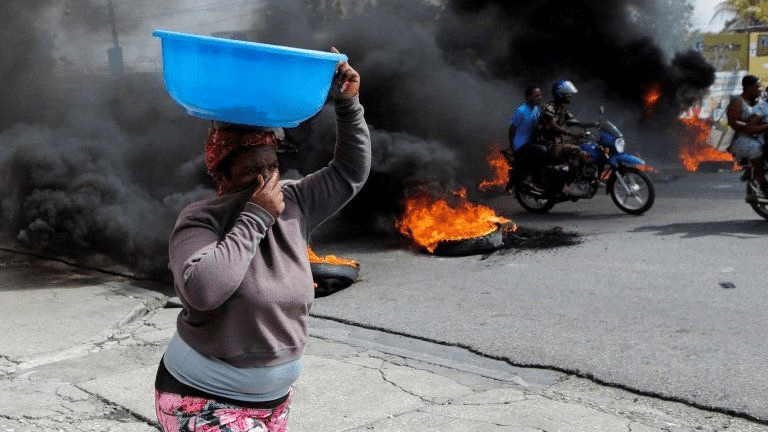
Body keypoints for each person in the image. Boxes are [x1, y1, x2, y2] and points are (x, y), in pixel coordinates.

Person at [153, 50, 370, 432]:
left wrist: (348, 104)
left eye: (272, 166)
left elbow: (349, 173)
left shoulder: (296, 201)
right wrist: (256, 215)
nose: (266, 179)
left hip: (274, 404)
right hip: (202, 398)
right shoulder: (200, 219)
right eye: (252, 169)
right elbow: (204, 290)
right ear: (222, 174)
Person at [534, 79, 589, 197]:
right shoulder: (550, 107)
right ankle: (569, 185)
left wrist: (591, 125)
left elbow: (574, 121)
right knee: (576, 150)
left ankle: (583, 179)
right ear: (559, 93)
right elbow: (553, 126)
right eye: (567, 93)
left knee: (586, 146)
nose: (570, 96)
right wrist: (572, 134)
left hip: (559, 142)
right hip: (549, 144)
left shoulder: (562, 108)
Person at [726, 74, 768, 197]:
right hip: (739, 139)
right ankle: (762, 182)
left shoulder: (755, 101)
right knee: (756, 149)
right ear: (749, 87)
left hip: (752, 134)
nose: (760, 88)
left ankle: (750, 170)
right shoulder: (737, 101)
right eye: (757, 86)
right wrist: (749, 127)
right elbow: (732, 122)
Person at [506, 86, 546, 190]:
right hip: (521, 144)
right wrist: (511, 146)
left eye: (540, 95)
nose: (540, 98)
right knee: (542, 151)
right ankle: (536, 181)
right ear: (528, 97)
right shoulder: (521, 111)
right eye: (536, 96)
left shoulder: (536, 109)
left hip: (531, 141)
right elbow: (512, 128)